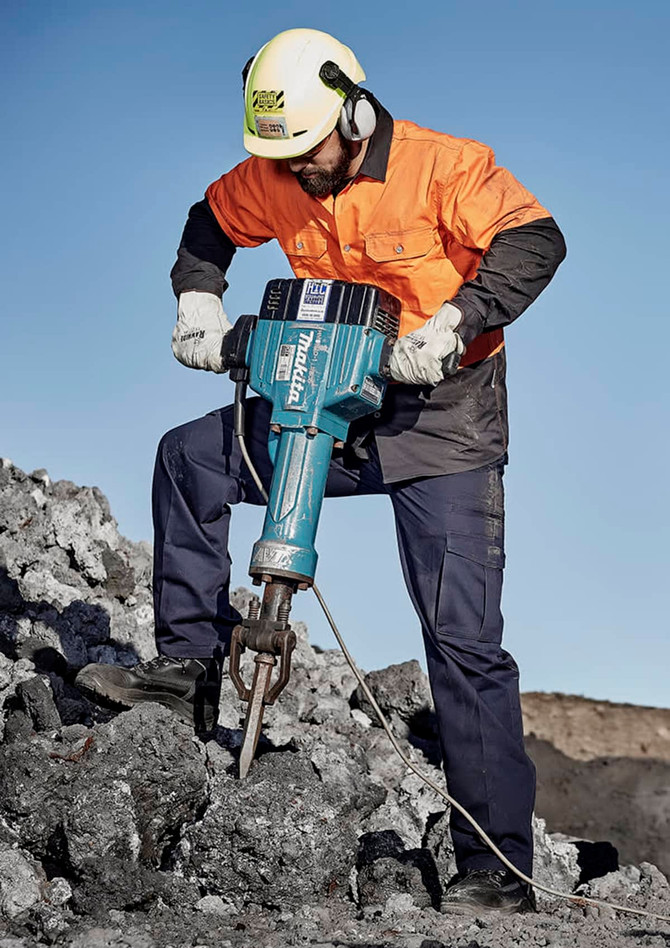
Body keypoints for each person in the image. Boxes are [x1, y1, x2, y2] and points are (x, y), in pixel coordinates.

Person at [76, 28, 566, 915]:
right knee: (190, 459)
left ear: (351, 110)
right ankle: (188, 668)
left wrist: (453, 323)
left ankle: (496, 870)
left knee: (463, 641)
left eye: (307, 150)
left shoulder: (440, 166)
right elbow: (209, 224)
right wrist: (198, 296)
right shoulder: (277, 169)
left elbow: (536, 240)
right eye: (278, 155)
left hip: (441, 420)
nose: (295, 171)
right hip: (322, 388)